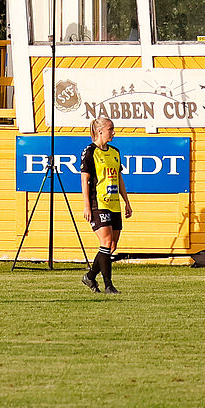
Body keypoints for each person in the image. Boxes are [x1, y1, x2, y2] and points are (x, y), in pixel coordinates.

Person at [80, 115, 131, 294]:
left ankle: (90, 277)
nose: (113, 132)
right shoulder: (90, 151)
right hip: (98, 202)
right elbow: (84, 179)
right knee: (106, 241)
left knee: (112, 246)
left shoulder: (115, 152)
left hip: (114, 203)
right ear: (100, 131)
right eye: (111, 129)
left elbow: (119, 177)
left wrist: (126, 202)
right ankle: (109, 285)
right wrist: (86, 205)